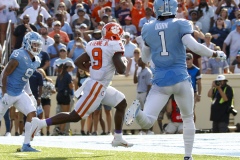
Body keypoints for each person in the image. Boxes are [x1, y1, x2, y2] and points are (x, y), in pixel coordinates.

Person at [124, 0, 227, 159]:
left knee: (147, 122)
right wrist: (215, 54)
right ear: (173, 8)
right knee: (187, 118)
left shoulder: (148, 28)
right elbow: (194, 47)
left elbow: (144, 57)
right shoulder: (181, 24)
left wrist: (153, 59)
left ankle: (137, 112)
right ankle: (187, 156)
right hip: (180, 79)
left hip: (160, 82)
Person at [30, 22, 133, 147]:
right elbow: (121, 70)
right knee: (74, 116)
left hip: (99, 85)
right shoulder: (114, 45)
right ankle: (40, 123)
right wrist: (124, 62)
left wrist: (92, 71)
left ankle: (118, 137)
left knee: (121, 103)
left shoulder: (94, 44)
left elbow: (78, 61)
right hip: (97, 87)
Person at [0, 31, 42, 151]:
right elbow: (4, 73)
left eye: (38, 44)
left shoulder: (36, 60)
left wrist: (30, 94)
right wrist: (4, 93)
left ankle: (26, 145)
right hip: (7, 91)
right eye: (34, 44)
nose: (36, 47)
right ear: (27, 43)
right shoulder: (19, 55)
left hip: (19, 92)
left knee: (32, 114)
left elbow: (26, 77)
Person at [186, 53, 202, 123]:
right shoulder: (183, 69)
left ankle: (193, 126)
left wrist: (199, 94)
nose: (187, 61)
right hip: (183, 92)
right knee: (184, 111)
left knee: (192, 110)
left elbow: (199, 83)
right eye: (186, 59)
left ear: (192, 59)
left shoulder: (196, 70)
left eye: (188, 59)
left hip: (193, 92)